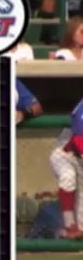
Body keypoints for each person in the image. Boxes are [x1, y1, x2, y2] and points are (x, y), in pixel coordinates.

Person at [48, 98, 83, 239]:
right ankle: (68, 226)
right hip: (65, 153)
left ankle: (69, 234)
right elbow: (78, 141)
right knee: (68, 177)